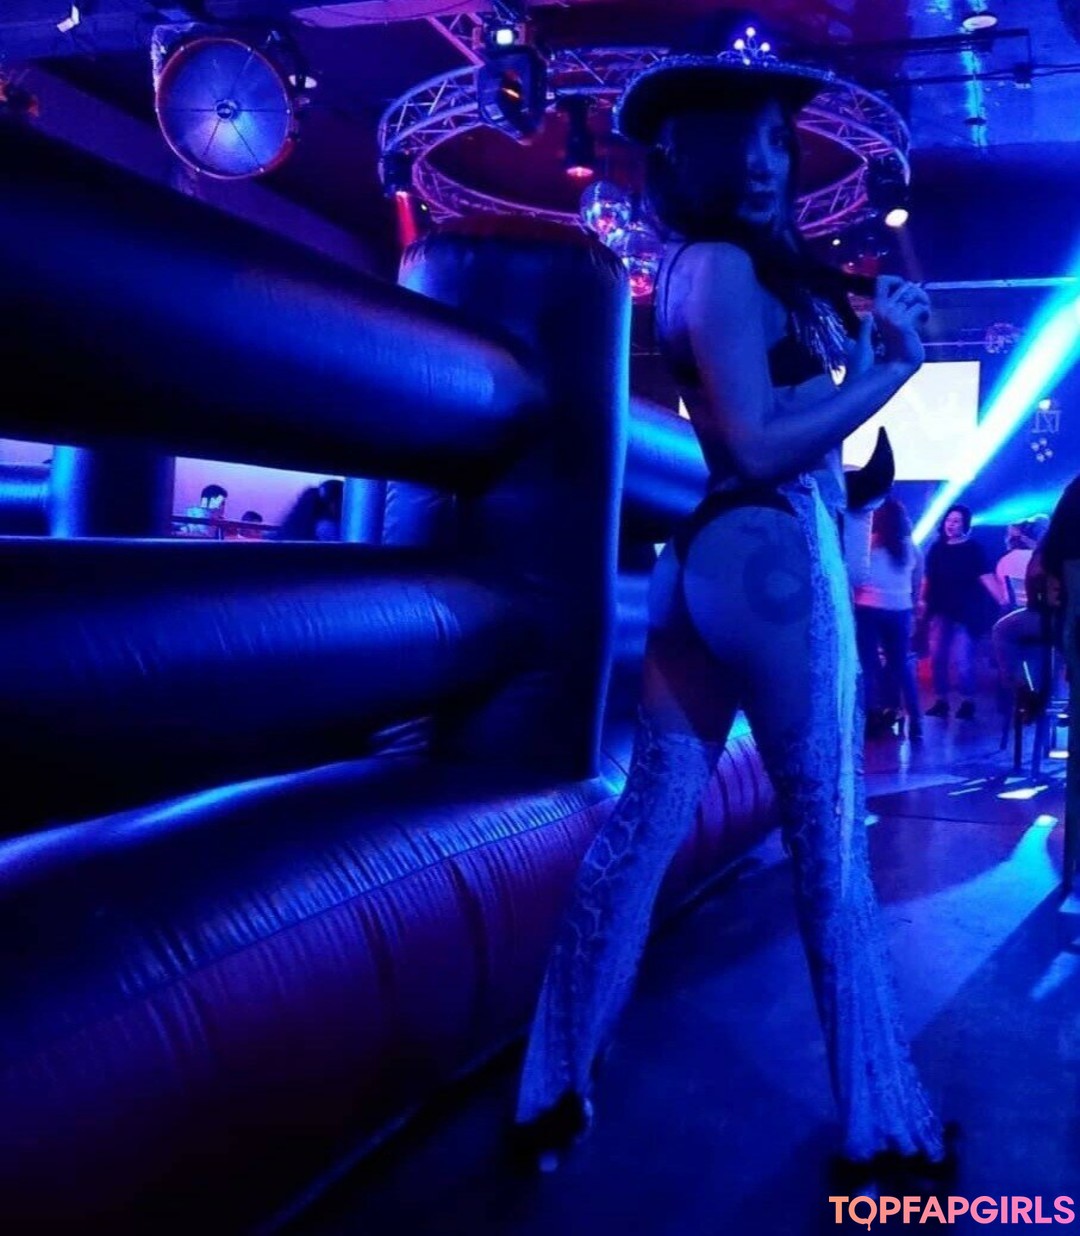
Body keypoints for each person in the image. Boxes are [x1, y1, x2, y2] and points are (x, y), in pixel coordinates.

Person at [512, 38, 951, 1186]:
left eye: (773, 139)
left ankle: (550, 1087)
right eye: (735, 139)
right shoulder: (713, 264)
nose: (763, 161)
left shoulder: (726, 268)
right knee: (829, 848)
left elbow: (797, 432)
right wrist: (891, 373)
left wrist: (872, 360)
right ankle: (882, 1127)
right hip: (773, 561)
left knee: (645, 829)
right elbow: (758, 447)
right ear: (682, 152)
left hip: (713, 563)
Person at [919, 504, 1004, 721]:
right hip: (940, 610)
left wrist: (1002, 600)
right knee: (937, 657)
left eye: (956, 521)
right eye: (949, 520)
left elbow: (985, 575)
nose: (951, 524)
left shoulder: (974, 549)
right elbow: (928, 578)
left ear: (965, 524)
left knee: (963, 659)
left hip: (966, 613)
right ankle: (941, 701)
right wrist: (921, 600)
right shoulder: (937, 548)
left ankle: (968, 701)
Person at [853, 496, 923, 740]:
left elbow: (856, 577)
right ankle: (916, 720)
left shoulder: (868, 545)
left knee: (868, 665)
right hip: (900, 609)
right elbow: (916, 584)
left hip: (868, 608)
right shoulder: (911, 548)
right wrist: (913, 610)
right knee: (901, 665)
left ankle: (871, 719)